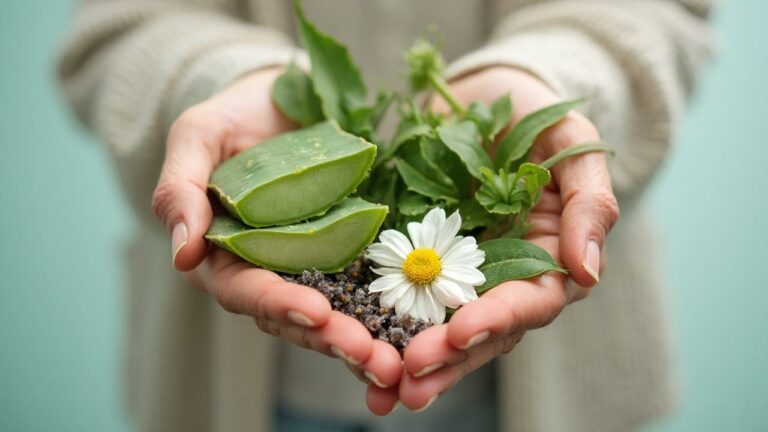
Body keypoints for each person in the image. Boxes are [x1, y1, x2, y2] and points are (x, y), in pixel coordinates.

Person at [58, 1, 712, 431]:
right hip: (227, 390)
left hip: (559, 392)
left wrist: (543, 76)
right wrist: (213, 80)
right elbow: (122, 25)